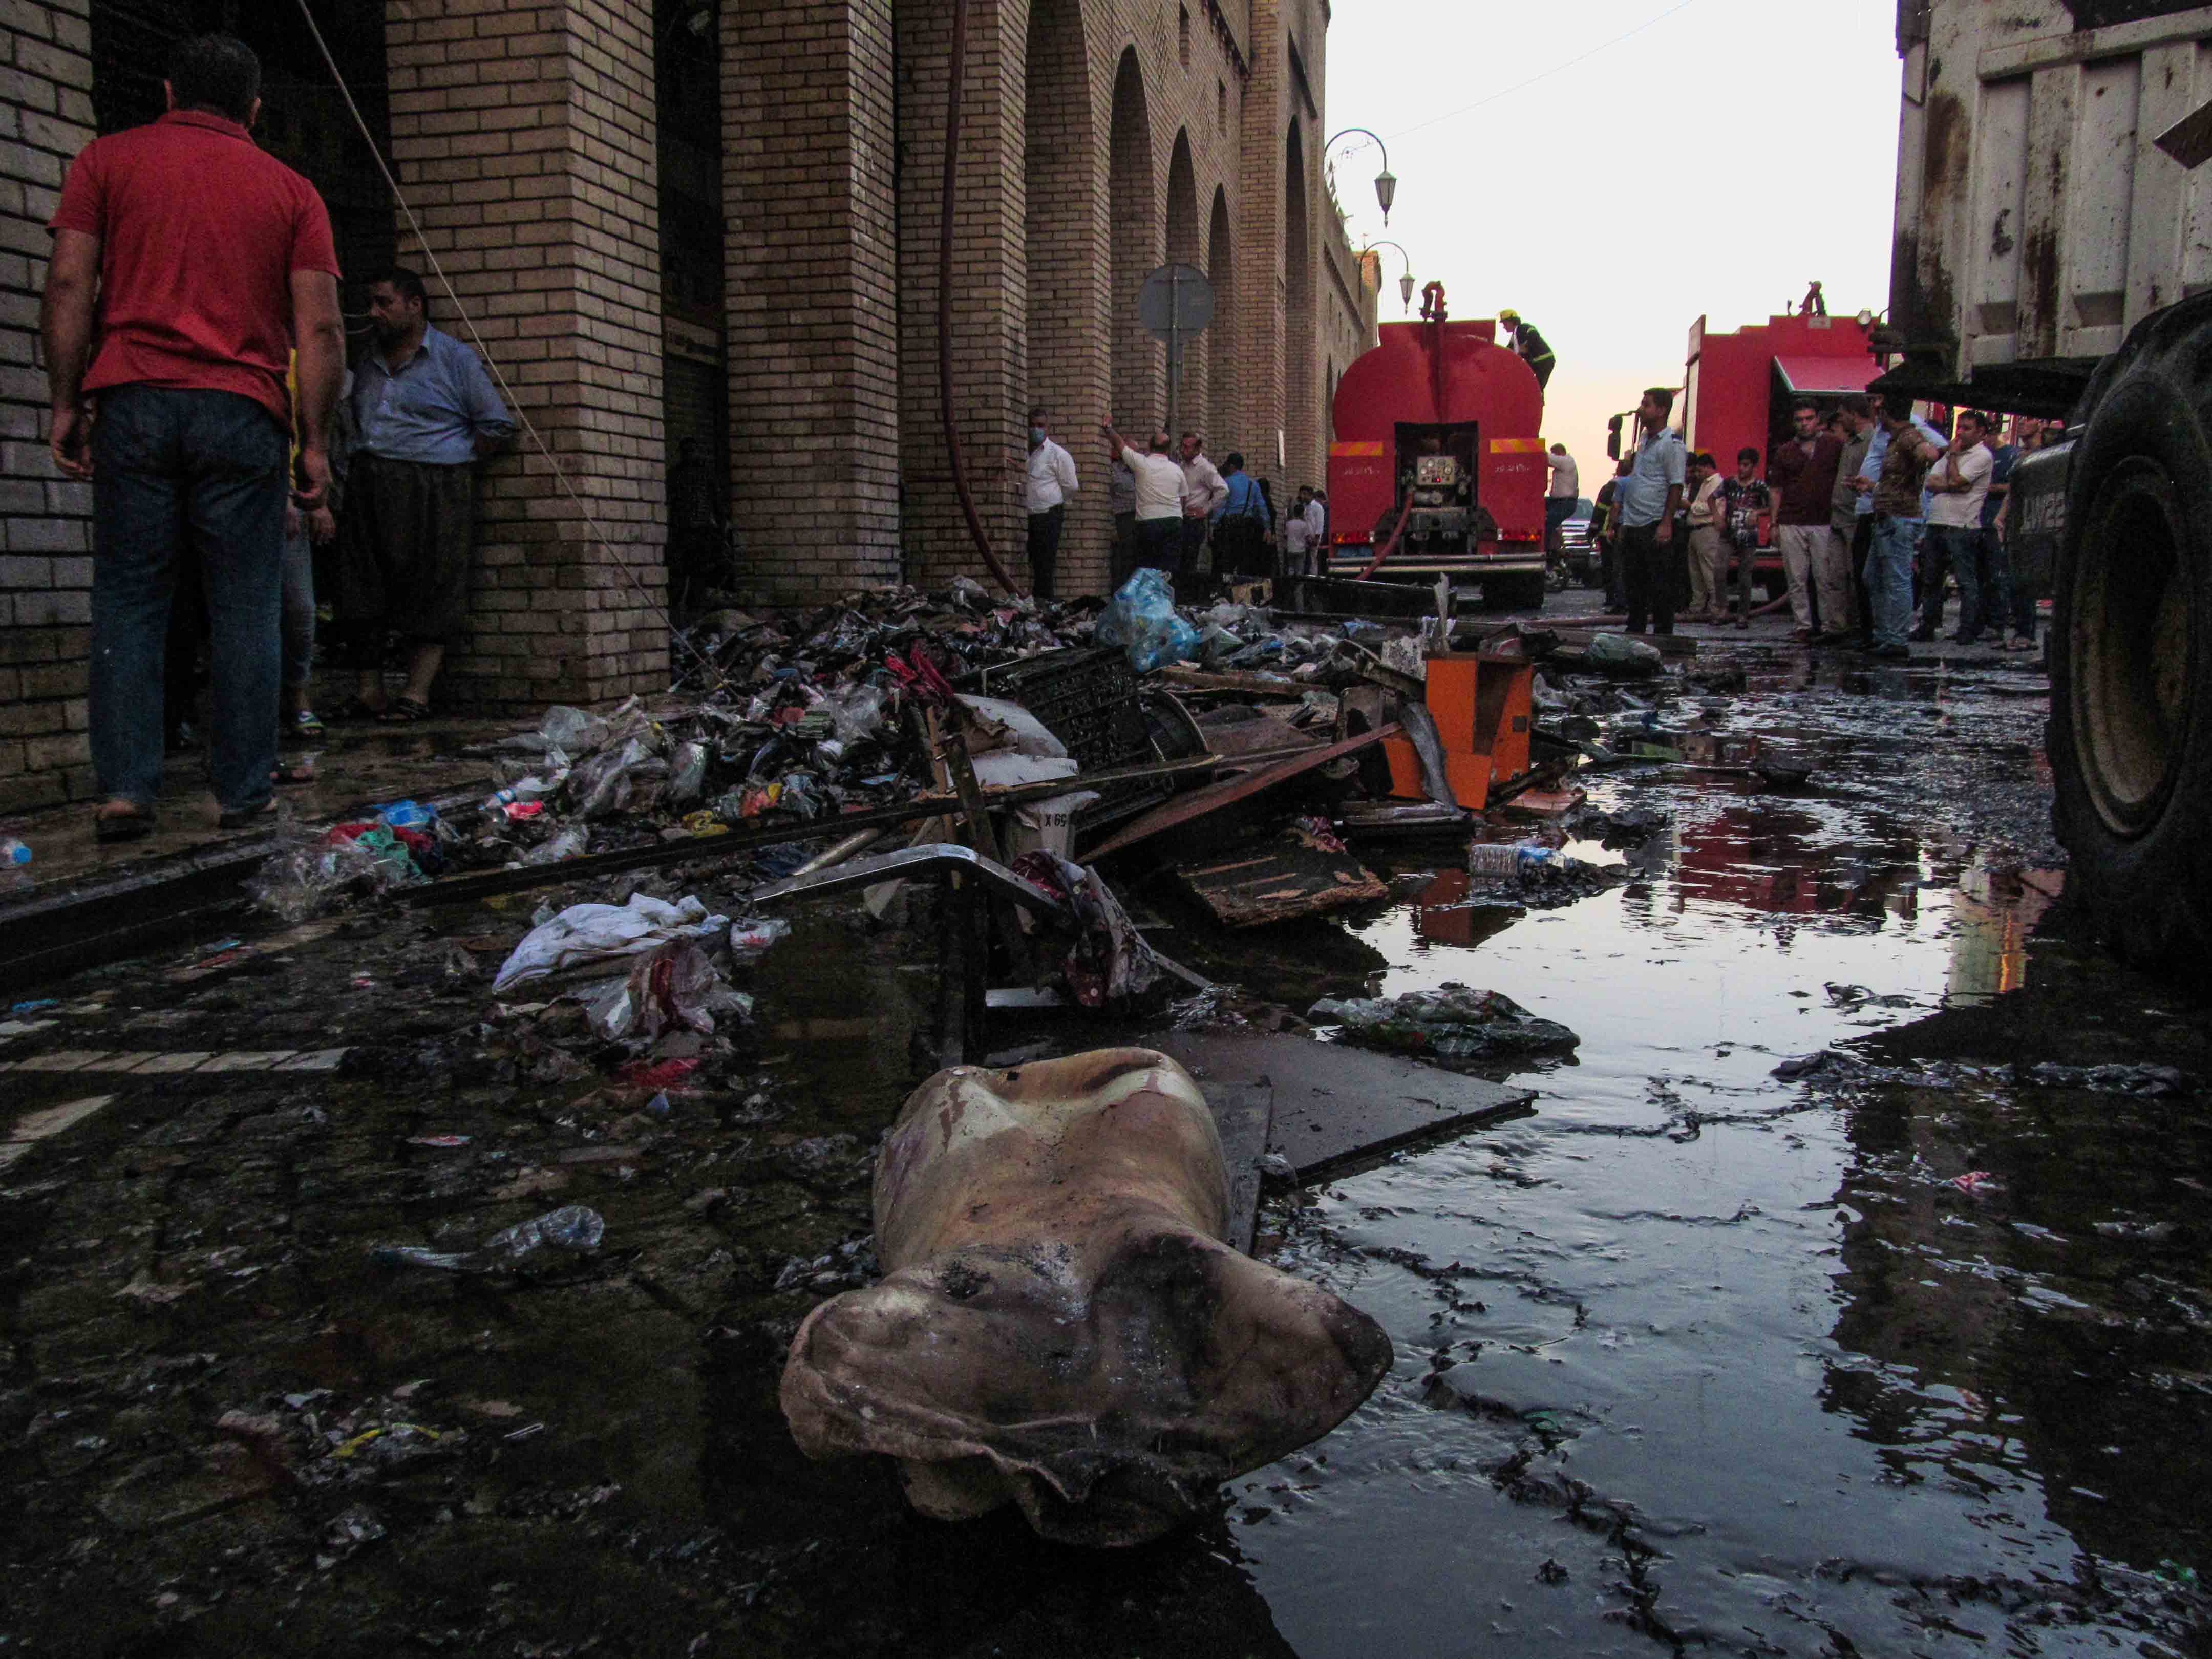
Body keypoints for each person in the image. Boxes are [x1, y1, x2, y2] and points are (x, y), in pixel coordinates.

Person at [44, 33, 345, 840]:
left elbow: (71, 280)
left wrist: (65, 400)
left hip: (134, 403)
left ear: (170, 93)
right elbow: (319, 329)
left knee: (131, 600)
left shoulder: (106, 162)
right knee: (245, 606)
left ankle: (126, 792)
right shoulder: (292, 191)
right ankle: (244, 793)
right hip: (243, 413)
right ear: (253, 108)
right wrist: (313, 443)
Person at [335, 266, 515, 722]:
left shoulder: (453, 358)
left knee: (434, 584)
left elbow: (495, 425)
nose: (373, 313)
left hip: (435, 484)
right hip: (371, 480)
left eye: (384, 303)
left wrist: (448, 459)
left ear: (414, 306)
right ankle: (369, 694)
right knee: (360, 586)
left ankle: (415, 695)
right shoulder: (366, 357)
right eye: (371, 303)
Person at [1866, 394, 1941, 660]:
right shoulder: (1898, 439)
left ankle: (1895, 639)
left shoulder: (1908, 437)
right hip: (1889, 515)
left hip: (1899, 517)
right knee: (1875, 577)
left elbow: (1930, 452)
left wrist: (1925, 458)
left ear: (1887, 414)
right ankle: (1886, 635)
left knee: (1896, 579)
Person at [1767, 399, 1849, 642]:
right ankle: (1803, 626)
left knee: (1826, 577)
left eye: (1809, 418)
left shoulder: (1834, 446)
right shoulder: (1784, 452)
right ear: (1794, 423)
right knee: (1796, 578)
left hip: (1824, 521)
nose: (1804, 424)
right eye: (1800, 420)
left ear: (1817, 420)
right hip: (1791, 520)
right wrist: (1773, 523)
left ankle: (1828, 626)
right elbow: (1776, 490)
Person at [1912, 409, 1993, 643]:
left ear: (1980, 432)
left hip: (1963, 524)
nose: (1961, 433)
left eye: (1967, 428)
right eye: (1959, 427)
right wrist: (1953, 482)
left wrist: (1954, 465)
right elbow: (1931, 482)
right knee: (1931, 578)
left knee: (1965, 580)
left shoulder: (1982, 456)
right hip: (1938, 521)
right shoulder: (1950, 453)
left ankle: (1967, 630)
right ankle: (1927, 626)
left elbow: (1961, 482)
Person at [1614, 388, 1686, 634]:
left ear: (1661, 410)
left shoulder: (1672, 444)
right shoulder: (1644, 440)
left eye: (1646, 405)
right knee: (1634, 586)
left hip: (1655, 524)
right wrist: (1625, 521)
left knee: (1660, 588)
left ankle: (1663, 640)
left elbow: (1676, 485)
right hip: (1635, 524)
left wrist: (1666, 523)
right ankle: (1635, 635)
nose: (1641, 408)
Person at [1102, 422, 1185, 575]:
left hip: (1149, 522)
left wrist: (1108, 427)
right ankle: (1166, 596)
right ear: (1168, 450)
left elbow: (1119, 444)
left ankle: (1148, 596)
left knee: (1148, 566)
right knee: (1169, 568)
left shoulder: (1142, 463)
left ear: (1149, 447)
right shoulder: (1177, 470)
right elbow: (1183, 499)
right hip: (1174, 521)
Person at [1830, 395, 1875, 647]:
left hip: (1855, 515)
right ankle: (1839, 627)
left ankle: (1859, 627)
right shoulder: (1849, 442)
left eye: (1843, 414)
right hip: (1838, 515)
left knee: (1855, 574)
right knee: (1835, 575)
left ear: (1853, 415)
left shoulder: (1870, 441)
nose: (1840, 419)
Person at [1024, 405, 1078, 600]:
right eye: (1032, 425)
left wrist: (1054, 500)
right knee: (1034, 562)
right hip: (1030, 516)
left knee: (1045, 564)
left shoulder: (1058, 455)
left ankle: (1044, 603)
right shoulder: (1027, 453)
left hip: (1048, 515)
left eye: (1041, 425)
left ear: (1048, 428)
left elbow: (1071, 486)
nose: (1036, 429)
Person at [667, 435, 726, 613]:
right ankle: (681, 611)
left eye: (693, 451)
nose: (691, 455)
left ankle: (693, 611)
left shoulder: (705, 475)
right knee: (680, 578)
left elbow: (717, 506)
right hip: (682, 534)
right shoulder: (676, 475)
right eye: (688, 451)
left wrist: (720, 533)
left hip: (700, 534)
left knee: (697, 578)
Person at [1716, 448, 1772, 628]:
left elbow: (1772, 506)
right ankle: (1722, 610)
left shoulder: (1760, 487)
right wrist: (1718, 517)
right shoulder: (1729, 483)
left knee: (1745, 575)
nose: (1742, 469)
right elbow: (1712, 497)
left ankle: (1743, 614)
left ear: (1754, 467)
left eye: (1746, 465)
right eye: (1740, 464)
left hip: (1748, 536)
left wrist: (1758, 512)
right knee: (1719, 571)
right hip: (1727, 533)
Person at [1209, 452, 1272, 579]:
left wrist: (1212, 525)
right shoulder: (1253, 484)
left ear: (1231, 466)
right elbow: (1261, 507)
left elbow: (1221, 506)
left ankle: (1226, 591)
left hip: (1229, 526)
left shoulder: (1226, 482)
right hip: (1247, 526)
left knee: (1227, 562)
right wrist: (1267, 527)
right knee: (1245, 562)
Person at [1177, 431, 1227, 581]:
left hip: (1194, 521)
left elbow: (1223, 489)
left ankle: (1188, 599)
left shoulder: (1205, 468)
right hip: (1181, 519)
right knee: (1180, 564)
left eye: (1187, 447)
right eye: (1182, 446)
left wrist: (1204, 510)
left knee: (1189, 564)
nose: (1183, 450)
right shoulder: (1183, 465)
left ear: (1197, 449)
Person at [1684, 451, 1724, 620]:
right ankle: (1698, 606)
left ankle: (1716, 608)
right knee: (1696, 574)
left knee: (1709, 572)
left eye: (1700, 470)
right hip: (1695, 532)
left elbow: (1712, 507)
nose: (1697, 474)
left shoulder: (1717, 483)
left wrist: (1691, 506)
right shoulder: (1704, 483)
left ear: (1708, 467)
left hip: (1707, 531)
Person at [1498, 309, 1556, 390]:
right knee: (1530, 385)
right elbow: (1508, 352)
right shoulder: (1514, 338)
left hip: (1544, 360)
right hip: (1537, 363)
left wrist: (1527, 346)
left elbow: (1534, 334)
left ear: (1512, 321)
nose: (1504, 327)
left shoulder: (1522, 328)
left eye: (1505, 323)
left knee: (1536, 387)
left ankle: (1537, 401)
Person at [1543, 442, 1579, 554]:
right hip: (1559, 501)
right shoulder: (1566, 463)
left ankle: (1546, 550)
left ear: (1560, 453)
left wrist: (1536, 446)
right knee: (1538, 504)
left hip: (1565, 503)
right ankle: (1553, 546)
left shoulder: (1566, 461)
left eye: (1555, 454)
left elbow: (1547, 458)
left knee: (1548, 524)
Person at [1109, 451, 1137, 590]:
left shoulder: (1138, 471)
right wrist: (1113, 526)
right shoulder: (1113, 471)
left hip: (1138, 521)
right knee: (1122, 563)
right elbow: (1109, 498)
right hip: (1122, 520)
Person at [1283, 484, 1316, 575]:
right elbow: (1307, 536)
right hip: (1301, 549)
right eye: (1303, 494)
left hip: (1291, 549)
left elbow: (1286, 535)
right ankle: (1299, 587)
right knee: (1301, 569)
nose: (1304, 496)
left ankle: (1291, 583)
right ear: (1302, 514)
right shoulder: (1304, 524)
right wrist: (1312, 541)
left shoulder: (1289, 524)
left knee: (1291, 568)